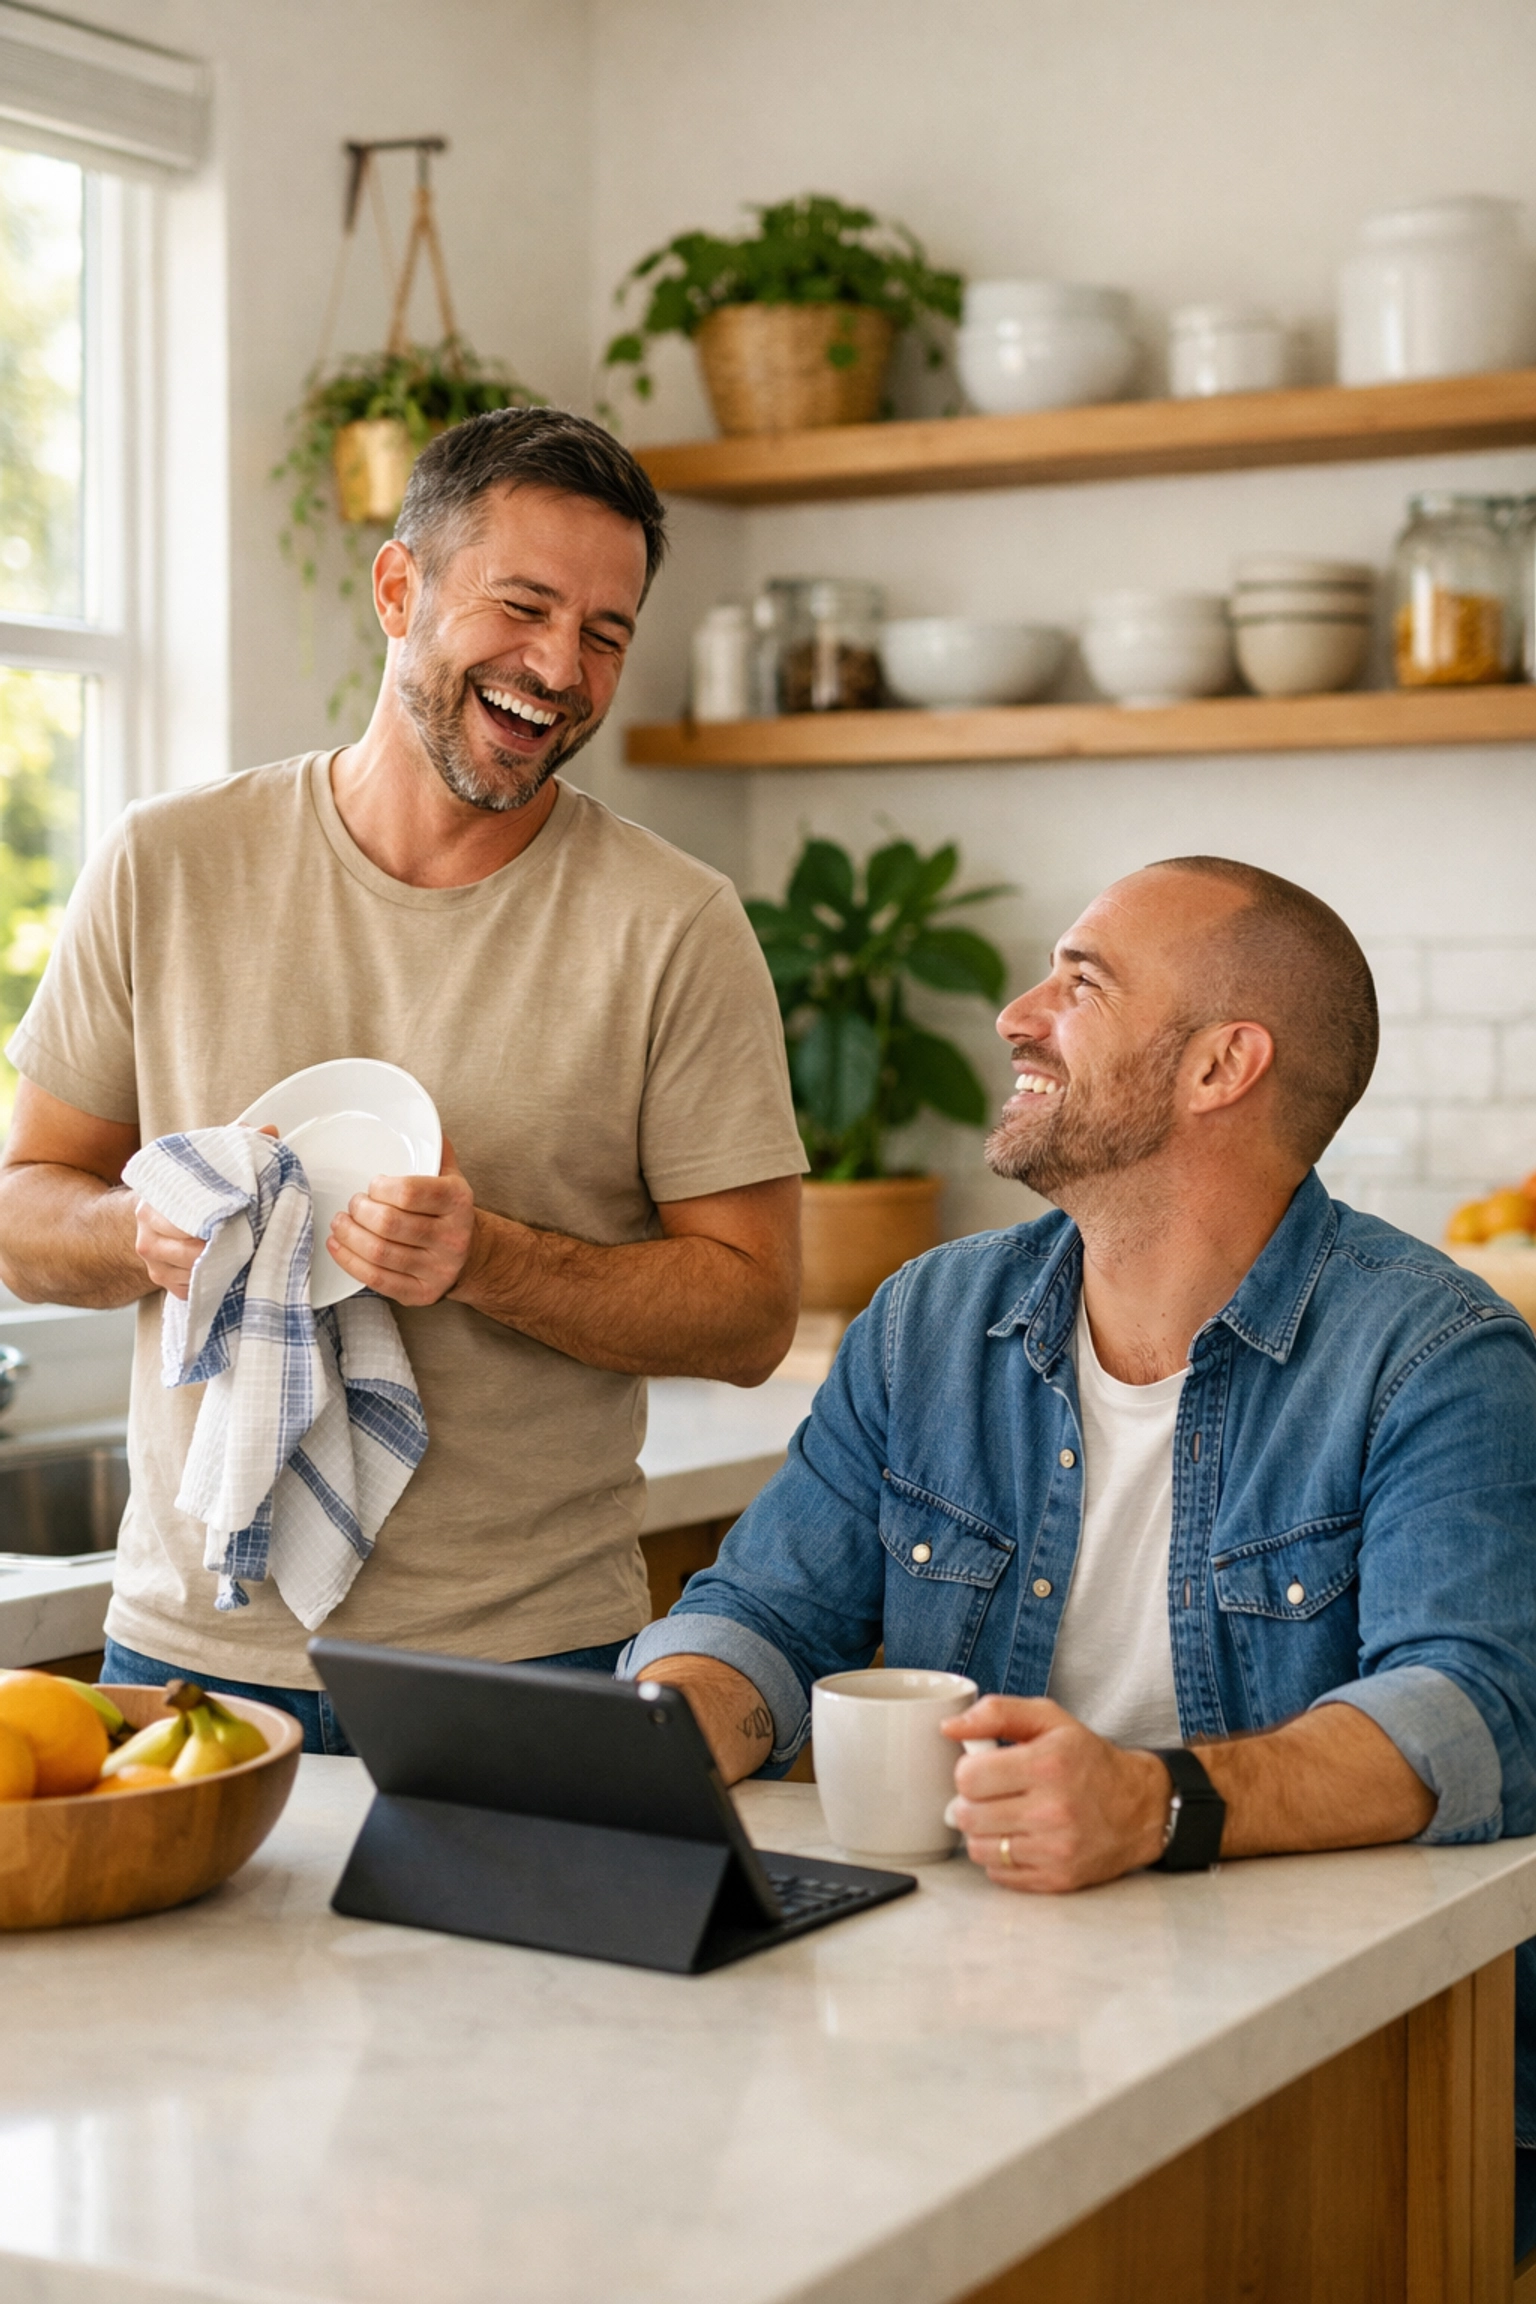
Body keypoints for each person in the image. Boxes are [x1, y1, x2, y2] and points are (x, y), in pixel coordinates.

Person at [618, 855, 1536, 2248]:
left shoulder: (1437, 1359)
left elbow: (1475, 1716)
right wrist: (656, 1732)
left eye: (1083, 981)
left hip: (1321, 2056)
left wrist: (1153, 1804)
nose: (1016, 1014)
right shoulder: (930, 1318)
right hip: (957, 2023)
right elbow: (763, 1610)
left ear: (1223, 1065)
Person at [0, 408, 806, 1751]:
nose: (558, 667)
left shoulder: (674, 924)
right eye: (524, 606)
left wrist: (489, 1259)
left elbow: (750, 1311)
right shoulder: (168, 864)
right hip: (183, 1647)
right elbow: (25, 1209)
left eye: (605, 634)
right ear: (398, 589)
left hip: (523, 1661)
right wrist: (144, 1229)